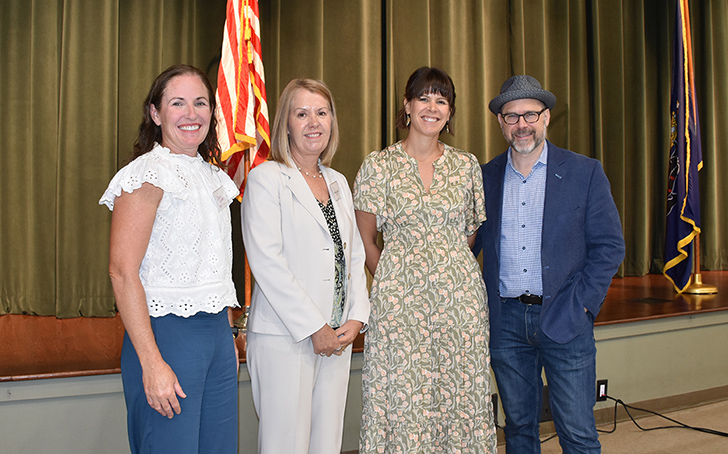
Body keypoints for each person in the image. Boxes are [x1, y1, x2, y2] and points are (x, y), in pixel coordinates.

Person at [474, 75, 626, 453]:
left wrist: (584, 303)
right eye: (512, 116)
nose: (521, 124)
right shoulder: (484, 178)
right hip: (506, 323)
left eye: (530, 114)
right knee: (519, 429)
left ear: (546, 117)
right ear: (501, 123)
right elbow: (467, 247)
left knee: (577, 431)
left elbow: (609, 246)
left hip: (565, 316)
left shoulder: (584, 172)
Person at [354, 66, 498, 453]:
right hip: (399, 307)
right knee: (401, 396)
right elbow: (365, 239)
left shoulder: (466, 166)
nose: (432, 107)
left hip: (459, 305)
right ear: (407, 105)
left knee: (460, 392)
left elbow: (468, 235)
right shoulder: (379, 166)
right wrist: (395, 280)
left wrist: (442, 273)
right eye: (423, 98)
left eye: (441, 100)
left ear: (450, 113)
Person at [99, 64, 240, 454]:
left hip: (217, 337)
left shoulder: (214, 178)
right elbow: (122, 272)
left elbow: (215, 267)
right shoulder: (146, 175)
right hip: (166, 337)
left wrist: (227, 336)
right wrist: (151, 362)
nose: (191, 114)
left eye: (200, 103)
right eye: (178, 103)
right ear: (156, 113)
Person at [240, 79, 370, 454]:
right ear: (286, 124)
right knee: (285, 445)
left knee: (326, 444)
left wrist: (357, 317)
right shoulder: (266, 179)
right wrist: (315, 327)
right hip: (286, 337)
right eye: (302, 114)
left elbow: (354, 256)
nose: (314, 122)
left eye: (322, 113)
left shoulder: (338, 181)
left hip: (337, 336)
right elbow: (267, 262)